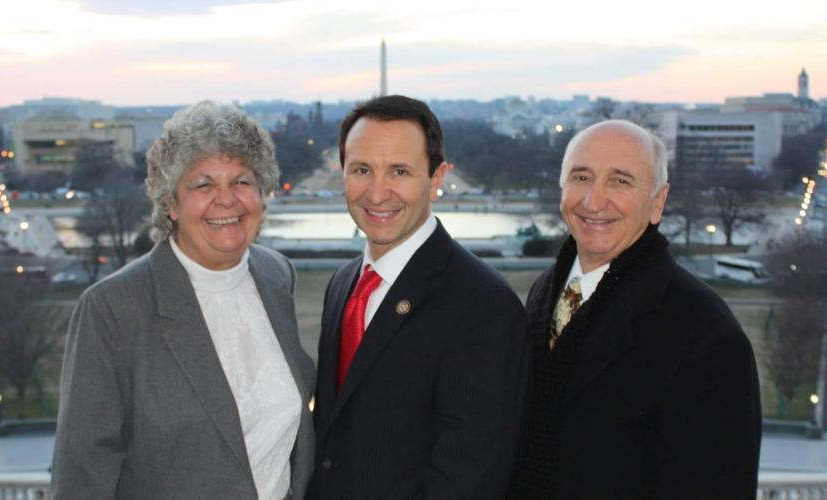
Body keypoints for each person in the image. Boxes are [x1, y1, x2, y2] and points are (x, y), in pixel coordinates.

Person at [51, 101, 315, 499]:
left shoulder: (277, 275)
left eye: (242, 181)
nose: (226, 200)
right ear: (170, 204)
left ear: (262, 195)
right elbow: (82, 479)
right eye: (203, 185)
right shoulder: (112, 309)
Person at [508, 120, 761, 498]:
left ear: (657, 202)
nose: (593, 201)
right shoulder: (547, 290)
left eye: (620, 181)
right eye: (581, 177)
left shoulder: (706, 336)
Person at [308, 95, 530, 499]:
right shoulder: (343, 285)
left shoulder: (484, 307)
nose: (377, 193)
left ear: (436, 178)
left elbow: (470, 480)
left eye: (399, 171)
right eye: (361, 169)